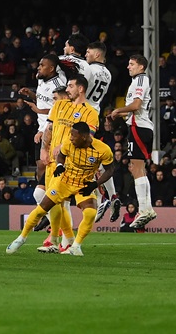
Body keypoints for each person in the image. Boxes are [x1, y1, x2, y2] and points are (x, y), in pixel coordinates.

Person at [7, 121, 117, 256]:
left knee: (90, 214)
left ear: (83, 136)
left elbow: (110, 170)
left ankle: (76, 246)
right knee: (41, 209)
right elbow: (61, 155)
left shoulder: (103, 149)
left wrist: (96, 184)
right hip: (64, 181)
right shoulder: (69, 143)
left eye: (73, 135)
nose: (70, 137)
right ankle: (21, 238)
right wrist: (60, 165)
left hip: (84, 184)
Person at [36, 75, 100, 252]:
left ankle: (62, 241)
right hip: (52, 162)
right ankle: (61, 241)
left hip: (71, 163)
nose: (68, 89)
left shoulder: (91, 113)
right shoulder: (58, 105)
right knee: (55, 201)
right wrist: (44, 148)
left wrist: (63, 146)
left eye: (71, 86)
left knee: (63, 202)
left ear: (80, 89)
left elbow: (88, 139)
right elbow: (49, 128)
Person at [61, 38, 119, 220]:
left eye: (89, 52)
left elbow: (79, 85)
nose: (86, 54)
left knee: (81, 153)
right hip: (96, 112)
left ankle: (97, 196)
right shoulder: (108, 73)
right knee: (95, 153)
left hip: (83, 113)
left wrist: (64, 59)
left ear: (97, 54)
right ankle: (111, 195)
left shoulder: (89, 68)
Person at [111, 55, 158, 229]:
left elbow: (136, 106)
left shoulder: (140, 80)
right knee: (138, 168)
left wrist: (118, 110)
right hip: (137, 126)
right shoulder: (137, 81)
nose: (128, 67)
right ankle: (148, 208)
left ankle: (145, 209)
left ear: (141, 67)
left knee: (136, 168)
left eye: (131, 64)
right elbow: (133, 110)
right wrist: (117, 114)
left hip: (140, 128)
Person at [17, 54, 67, 220]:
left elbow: (60, 109)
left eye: (42, 65)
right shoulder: (41, 80)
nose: (38, 67)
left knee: (46, 166)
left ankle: (52, 203)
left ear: (51, 68)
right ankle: (47, 207)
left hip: (53, 129)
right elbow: (43, 101)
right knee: (41, 167)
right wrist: (31, 95)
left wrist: (39, 112)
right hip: (41, 128)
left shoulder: (59, 84)